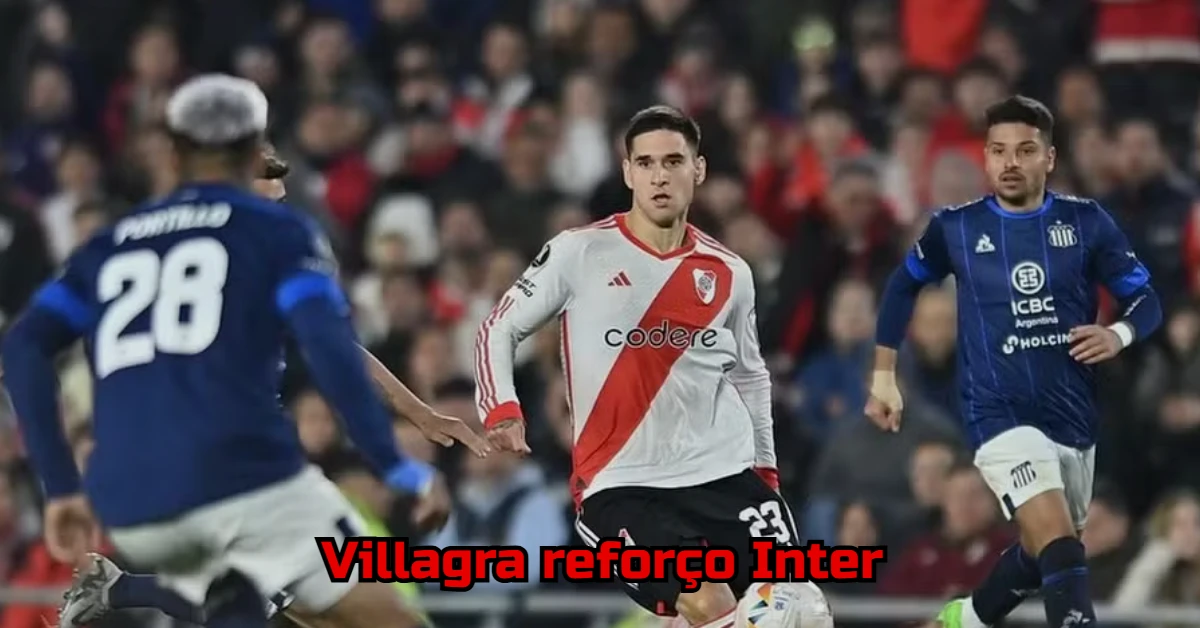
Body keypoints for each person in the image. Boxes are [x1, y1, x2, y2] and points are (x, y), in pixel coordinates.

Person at [0, 74, 436, 628]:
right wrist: (396, 464)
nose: (278, 184)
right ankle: (141, 589)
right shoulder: (275, 233)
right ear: (252, 154)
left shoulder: (111, 244)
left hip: (128, 497)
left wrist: (60, 486)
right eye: (269, 169)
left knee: (291, 606)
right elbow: (330, 346)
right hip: (232, 471)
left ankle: (137, 588)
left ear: (174, 155)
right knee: (386, 617)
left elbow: (23, 346)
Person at [474, 105, 798, 628]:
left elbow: (750, 376)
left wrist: (765, 471)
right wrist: (501, 409)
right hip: (623, 484)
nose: (659, 176)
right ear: (627, 173)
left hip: (725, 476)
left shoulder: (729, 272)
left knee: (798, 611)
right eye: (645, 163)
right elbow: (497, 328)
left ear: (698, 169)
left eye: (673, 161)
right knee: (708, 602)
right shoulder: (579, 252)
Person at [865, 95, 1164, 628]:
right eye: (998, 150)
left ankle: (964, 619)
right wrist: (884, 376)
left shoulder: (1086, 222)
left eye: (1025, 150)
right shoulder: (955, 227)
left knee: (1043, 550)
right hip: (998, 414)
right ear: (985, 157)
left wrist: (1118, 334)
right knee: (1060, 544)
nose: (1010, 162)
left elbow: (1147, 299)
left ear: (1049, 158)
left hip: (1071, 415)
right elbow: (902, 286)